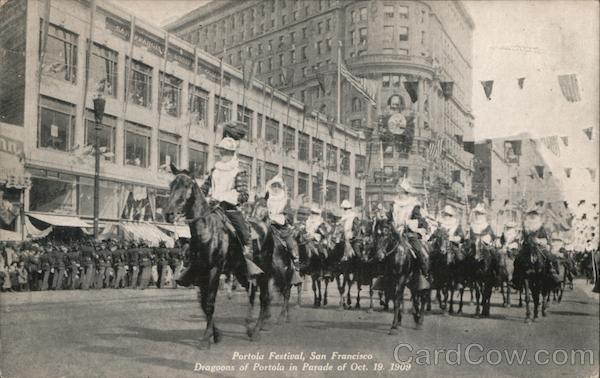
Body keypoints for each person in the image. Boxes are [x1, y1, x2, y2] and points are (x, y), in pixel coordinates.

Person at [199, 136, 263, 279]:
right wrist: (202, 197)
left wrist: (224, 198)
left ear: (233, 153)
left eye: (227, 152)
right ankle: (191, 264)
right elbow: (204, 188)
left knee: (243, 232)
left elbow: (243, 195)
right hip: (211, 207)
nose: (224, 155)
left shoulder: (238, 171)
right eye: (222, 151)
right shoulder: (214, 170)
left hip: (229, 208)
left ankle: (247, 260)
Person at [386, 178, 429, 287]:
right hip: (394, 233)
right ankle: (382, 275)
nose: (399, 192)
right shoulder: (394, 204)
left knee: (420, 251)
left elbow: (419, 220)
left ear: (406, 192)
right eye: (399, 190)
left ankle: (423, 274)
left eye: (402, 190)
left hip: (408, 233)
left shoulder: (414, 205)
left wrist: (408, 223)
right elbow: (389, 218)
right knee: (381, 250)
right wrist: (387, 221)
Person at [265, 175, 302, 284]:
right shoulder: (267, 200)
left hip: (282, 229)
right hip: (268, 228)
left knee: (292, 247)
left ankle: (296, 271)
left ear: (281, 188)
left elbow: (289, 216)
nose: (276, 188)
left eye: (278, 186)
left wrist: (278, 220)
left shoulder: (286, 201)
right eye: (274, 186)